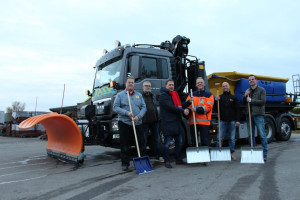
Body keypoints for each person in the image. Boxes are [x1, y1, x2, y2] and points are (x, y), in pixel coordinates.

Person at [113, 76, 147, 171]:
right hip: (125, 123)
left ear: (134, 84)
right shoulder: (120, 95)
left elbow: (144, 107)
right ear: (126, 83)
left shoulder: (138, 95)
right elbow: (115, 107)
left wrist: (138, 117)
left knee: (141, 143)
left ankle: (143, 161)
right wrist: (127, 113)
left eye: (132, 82)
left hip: (137, 123)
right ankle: (125, 163)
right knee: (125, 144)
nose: (131, 84)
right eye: (129, 82)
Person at [159, 80, 191, 168]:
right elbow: (171, 107)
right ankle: (167, 161)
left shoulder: (174, 94)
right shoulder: (163, 96)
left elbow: (179, 105)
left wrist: (188, 102)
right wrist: (183, 111)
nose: (171, 86)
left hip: (176, 123)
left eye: (172, 85)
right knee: (167, 144)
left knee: (179, 142)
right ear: (166, 86)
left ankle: (178, 160)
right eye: (169, 85)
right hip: (168, 123)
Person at [186, 77, 214, 166]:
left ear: (204, 84)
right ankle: (195, 158)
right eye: (198, 83)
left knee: (204, 140)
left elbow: (209, 107)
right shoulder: (191, 94)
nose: (200, 84)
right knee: (194, 140)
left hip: (204, 122)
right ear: (196, 84)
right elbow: (187, 104)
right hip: (193, 122)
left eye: (201, 82)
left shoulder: (209, 94)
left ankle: (206, 158)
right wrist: (188, 109)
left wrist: (197, 109)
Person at [243, 74, 268, 161]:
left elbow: (263, 101)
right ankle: (252, 151)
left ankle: (264, 153)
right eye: (249, 80)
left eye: (252, 79)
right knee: (250, 135)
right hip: (249, 115)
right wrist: (245, 95)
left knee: (262, 135)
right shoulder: (248, 91)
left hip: (258, 115)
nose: (251, 81)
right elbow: (244, 102)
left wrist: (252, 100)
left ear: (256, 80)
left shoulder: (262, 90)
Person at [215, 82, 240, 160]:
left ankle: (231, 153)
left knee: (232, 138)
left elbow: (237, 110)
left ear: (229, 86)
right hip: (222, 121)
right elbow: (216, 109)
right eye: (223, 86)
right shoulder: (220, 97)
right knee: (219, 138)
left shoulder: (234, 98)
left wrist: (238, 120)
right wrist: (216, 101)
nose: (225, 87)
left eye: (226, 86)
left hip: (232, 121)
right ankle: (218, 153)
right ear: (222, 87)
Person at [142, 81, 164, 163]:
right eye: (146, 86)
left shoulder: (153, 96)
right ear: (143, 87)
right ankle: (144, 157)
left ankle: (158, 156)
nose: (147, 87)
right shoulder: (140, 97)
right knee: (144, 140)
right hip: (144, 122)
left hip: (155, 121)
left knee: (157, 139)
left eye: (149, 86)